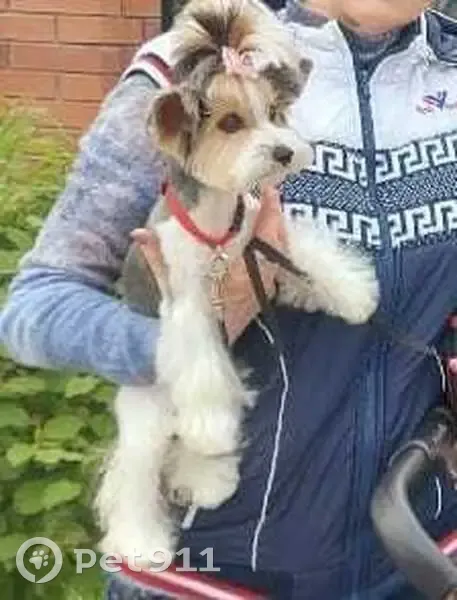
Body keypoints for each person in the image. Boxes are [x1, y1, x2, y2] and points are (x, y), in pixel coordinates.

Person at [2, 0, 457, 598]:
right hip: (210, 570)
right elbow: (35, 307)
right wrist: (192, 339)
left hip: (414, 555)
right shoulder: (190, 73)